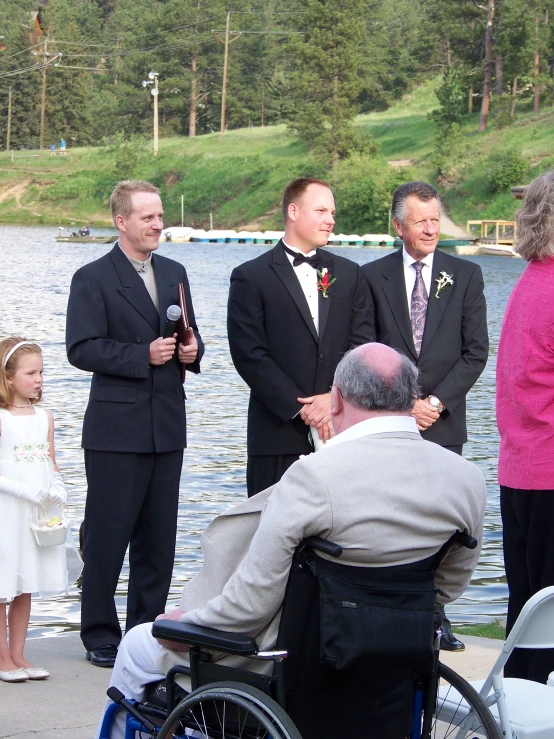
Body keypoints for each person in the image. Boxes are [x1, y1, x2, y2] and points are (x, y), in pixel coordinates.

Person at [97, 343, 486, 739]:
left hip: (298, 669)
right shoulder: (467, 479)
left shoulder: (315, 477)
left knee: (138, 643)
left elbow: (251, 603)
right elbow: (447, 587)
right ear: (412, 397)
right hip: (394, 669)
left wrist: (185, 624)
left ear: (336, 400)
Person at [66, 180, 204, 668]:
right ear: (121, 222)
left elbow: (192, 336)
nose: (158, 225)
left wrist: (191, 352)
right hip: (115, 431)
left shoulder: (175, 272)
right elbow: (81, 348)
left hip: (167, 426)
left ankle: (145, 632)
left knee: (157, 539)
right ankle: (100, 634)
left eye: (160, 216)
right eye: (147, 217)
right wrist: (140, 355)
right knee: (106, 537)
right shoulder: (93, 277)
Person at [361, 181, 489, 651]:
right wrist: (401, 405)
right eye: (421, 220)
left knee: (439, 520)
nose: (432, 228)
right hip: (388, 423)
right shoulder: (371, 277)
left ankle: (435, 615)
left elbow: (476, 353)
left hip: (443, 424)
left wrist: (434, 405)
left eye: (436, 219)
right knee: (389, 518)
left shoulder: (466, 275)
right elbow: (364, 350)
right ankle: (387, 613)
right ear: (398, 226)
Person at [227, 177, 373, 497]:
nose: (331, 219)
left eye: (332, 212)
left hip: (340, 429)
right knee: (272, 534)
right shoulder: (251, 277)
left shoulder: (349, 275)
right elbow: (249, 355)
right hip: (276, 433)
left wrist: (332, 398)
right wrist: (303, 408)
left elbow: (362, 345)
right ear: (293, 211)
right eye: (321, 210)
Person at [497, 169, 554, 683]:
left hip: (519, 468)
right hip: (550, 469)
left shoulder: (529, 283)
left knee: (528, 614)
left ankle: (516, 712)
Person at [0, 338, 80, 683]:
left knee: (25, 581)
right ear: (8, 378)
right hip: (8, 508)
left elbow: (50, 460)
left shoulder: (43, 416)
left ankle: (18, 653)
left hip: (35, 513)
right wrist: (24, 489)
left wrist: (57, 487)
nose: (39, 379)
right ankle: (2, 657)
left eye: (41, 372)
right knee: (3, 582)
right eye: (31, 373)